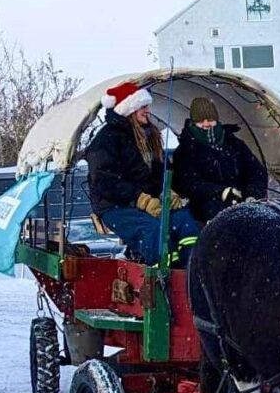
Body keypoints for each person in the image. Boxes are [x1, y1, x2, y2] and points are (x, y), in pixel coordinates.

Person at [85, 81, 200, 267]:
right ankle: (163, 280)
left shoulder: (150, 136)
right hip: (115, 206)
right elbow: (104, 183)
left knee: (185, 222)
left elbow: (159, 171)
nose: (148, 111)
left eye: (147, 106)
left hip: (150, 201)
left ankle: (192, 270)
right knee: (154, 232)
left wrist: (167, 192)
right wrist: (140, 199)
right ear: (130, 109)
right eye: (143, 107)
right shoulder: (106, 140)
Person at [172, 97, 268, 224]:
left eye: (210, 120)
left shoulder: (234, 144)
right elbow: (188, 183)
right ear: (193, 122)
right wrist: (221, 192)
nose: (206, 124)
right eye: (201, 121)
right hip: (206, 207)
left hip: (243, 200)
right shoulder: (186, 150)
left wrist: (252, 195)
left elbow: (257, 172)